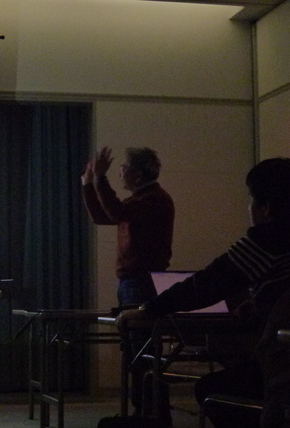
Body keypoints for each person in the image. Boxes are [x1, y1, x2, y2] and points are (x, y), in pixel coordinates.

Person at [116, 157, 290, 428]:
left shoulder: (270, 239)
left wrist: (147, 309)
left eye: (251, 199)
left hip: (284, 368)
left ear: (266, 207)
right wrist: (260, 305)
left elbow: (207, 285)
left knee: (211, 389)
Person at [82, 146, 175, 424]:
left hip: (142, 283)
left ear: (137, 174)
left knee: (143, 354)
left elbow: (115, 212)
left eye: (123, 168)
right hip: (133, 283)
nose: (120, 172)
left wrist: (100, 179)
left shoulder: (153, 199)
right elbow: (102, 216)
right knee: (137, 354)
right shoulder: (140, 199)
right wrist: (88, 184)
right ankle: (145, 413)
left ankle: (154, 416)